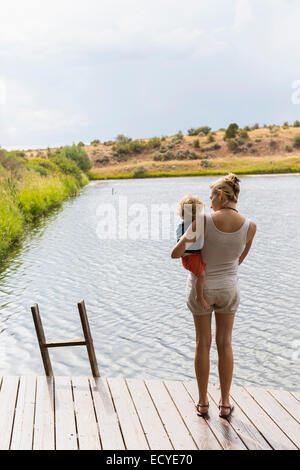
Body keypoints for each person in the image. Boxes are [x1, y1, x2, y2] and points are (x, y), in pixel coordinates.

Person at [171, 173, 257, 418]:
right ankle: (225, 402)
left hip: (202, 290)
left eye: (211, 197)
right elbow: (239, 260)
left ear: (220, 195)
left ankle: (202, 402)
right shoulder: (251, 226)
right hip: (229, 288)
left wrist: (184, 236)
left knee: (203, 343)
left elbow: (176, 253)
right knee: (225, 343)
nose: (209, 203)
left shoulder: (203, 220)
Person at [175, 195, 209, 310]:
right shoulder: (187, 225)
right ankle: (199, 297)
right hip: (190, 257)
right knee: (202, 275)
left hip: (194, 254)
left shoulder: (184, 224)